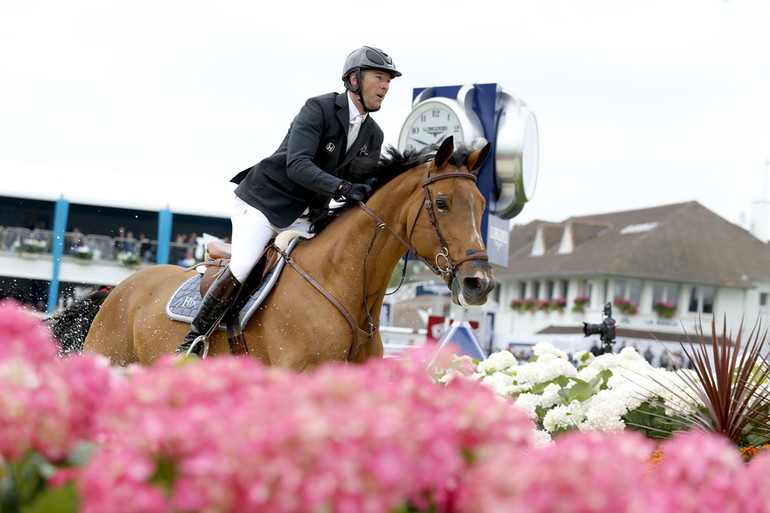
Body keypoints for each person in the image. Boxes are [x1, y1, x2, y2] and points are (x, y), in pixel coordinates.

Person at [175, 46, 402, 355]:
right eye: (379, 78)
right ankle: (194, 341)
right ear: (353, 79)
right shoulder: (318, 109)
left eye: (389, 80)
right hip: (263, 205)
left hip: (308, 215)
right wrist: (345, 187)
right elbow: (298, 165)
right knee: (243, 266)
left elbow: (361, 188)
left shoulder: (373, 134)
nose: (386, 86)